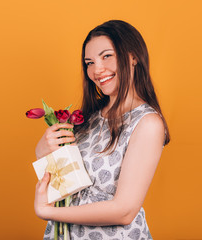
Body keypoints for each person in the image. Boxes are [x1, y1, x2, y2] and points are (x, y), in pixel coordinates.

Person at [34, 20, 170, 240]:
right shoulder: (88, 119)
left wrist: (47, 211)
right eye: (89, 62)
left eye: (107, 56)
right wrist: (42, 152)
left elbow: (124, 211)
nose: (97, 70)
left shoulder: (147, 123)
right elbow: (66, 187)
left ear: (133, 56)